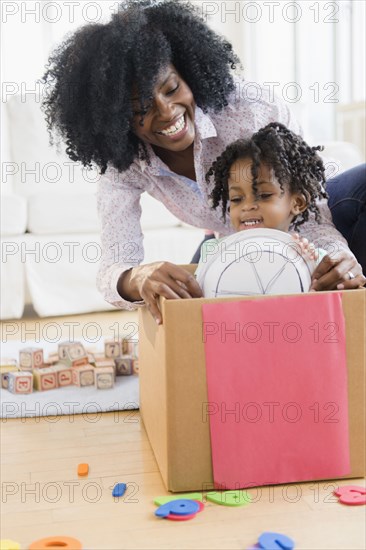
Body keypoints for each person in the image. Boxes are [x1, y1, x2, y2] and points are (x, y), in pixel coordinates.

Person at [41, 0, 365, 324]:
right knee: (191, 312)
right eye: (141, 109)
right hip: (225, 239)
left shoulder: (249, 109)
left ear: (188, 73)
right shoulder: (123, 163)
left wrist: (339, 259)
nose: (167, 111)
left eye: (171, 89)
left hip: (305, 211)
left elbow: (308, 214)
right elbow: (114, 265)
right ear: (117, 119)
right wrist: (138, 278)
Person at [195, 122, 330, 286]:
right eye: (237, 199)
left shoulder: (313, 257)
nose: (247, 206)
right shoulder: (214, 252)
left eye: (264, 195)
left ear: (298, 203)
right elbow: (199, 300)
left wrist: (309, 268)